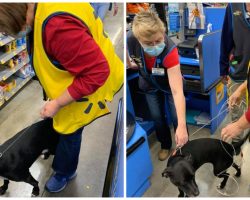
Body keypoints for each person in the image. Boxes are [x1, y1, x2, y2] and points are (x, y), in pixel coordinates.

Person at [0, 3, 123, 193]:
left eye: (8, 29)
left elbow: (97, 72)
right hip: (76, 73)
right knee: (61, 127)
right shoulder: (44, 9)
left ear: (19, 16)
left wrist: (58, 103)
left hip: (88, 88)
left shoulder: (58, 26)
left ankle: (65, 171)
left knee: (70, 131)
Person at [127, 10, 188, 161]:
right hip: (149, 84)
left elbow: (177, 91)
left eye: (158, 40)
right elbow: (126, 51)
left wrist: (181, 126)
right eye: (148, 43)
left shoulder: (169, 51)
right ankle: (165, 145)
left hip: (169, 85)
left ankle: (183, 148)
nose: (155, 46)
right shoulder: (130, 39)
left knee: (177, 117)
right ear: (139, 39)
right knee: (157, 117)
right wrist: (130, 64)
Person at [220, 3, 250, 152]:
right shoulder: (233, 7)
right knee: (237, 110)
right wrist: (223, 68)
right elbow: (225, 40)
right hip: (238, 69)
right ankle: (237, 148)